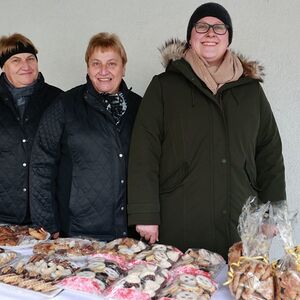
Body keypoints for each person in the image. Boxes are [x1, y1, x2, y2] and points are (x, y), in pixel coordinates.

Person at [127, 2, 286, 258]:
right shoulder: (165, 86)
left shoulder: (251, 91)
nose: (210, 33)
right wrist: (144, 214)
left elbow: (269, 153)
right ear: (191, 37)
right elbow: (144, 153)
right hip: (179, 219)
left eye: (219, 28)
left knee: (236, 291)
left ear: (228, 38)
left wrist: (272, 213)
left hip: (239, 221)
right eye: (201, 27)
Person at [30, 32, 141, 240]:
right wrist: (46, 222)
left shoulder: (139, 107)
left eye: (112, 64)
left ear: (123, 68)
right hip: (79, 232)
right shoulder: (65, 105)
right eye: (96, 63)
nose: (103, 71)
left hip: (129, 233)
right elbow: (41, 164)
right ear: (88, 68)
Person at [0, 33, 62, 225]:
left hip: (48, 212)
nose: (25, 66)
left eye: (30, 59)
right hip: (4, 214)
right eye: (16, 60)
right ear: (3, 67)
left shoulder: (58, 99)